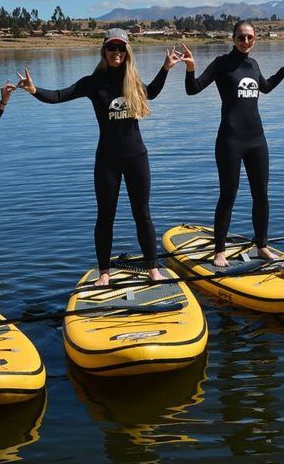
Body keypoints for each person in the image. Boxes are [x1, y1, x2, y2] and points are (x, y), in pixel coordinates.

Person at [16, 28, 181, 285]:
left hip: (137, 157)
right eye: (111, 48)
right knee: (105, 215)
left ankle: (153, 269)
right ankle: (104, 273)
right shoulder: (94, 82)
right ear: (104, 51)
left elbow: (153, 93)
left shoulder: (132, 79)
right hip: (108, 160)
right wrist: (35, 90)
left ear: (127, 51)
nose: (116, 52)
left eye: (120, 48)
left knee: (143, 213)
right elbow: (60, 96)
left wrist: (166, 68)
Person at [182, 21, 284, 267]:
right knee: (228, 195)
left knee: (261, 196)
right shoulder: (221, 64)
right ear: (233, 38)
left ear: (255, 39)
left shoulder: (253, 64)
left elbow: (266, 87)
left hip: (257, 141)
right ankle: (219, 252)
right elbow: (192, 89)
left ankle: (261, 246)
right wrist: (190, 68)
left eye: (250, 37)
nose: (246, 41)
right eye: (241, 37)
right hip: (230, 140)